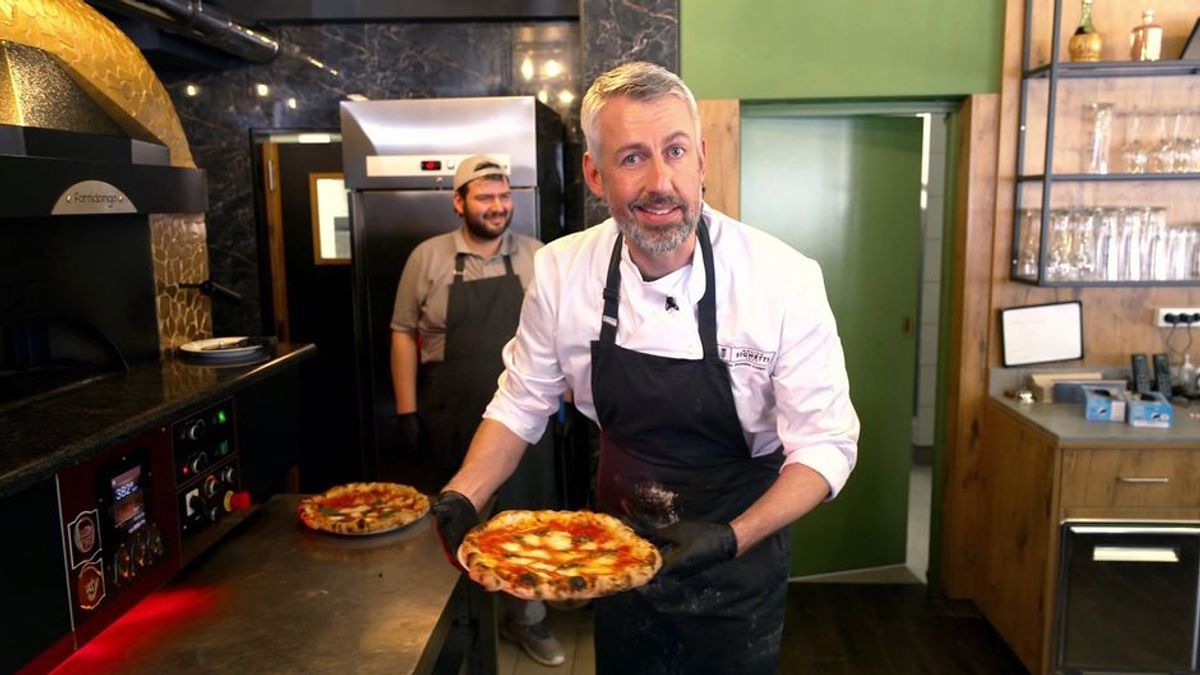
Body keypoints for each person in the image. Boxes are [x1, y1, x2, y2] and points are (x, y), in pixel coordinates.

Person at [431, 62, 860, 674]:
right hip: (612, 554)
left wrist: (731, 536)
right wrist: (464, 494)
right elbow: (521, 401)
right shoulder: (561, 272)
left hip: (737, 562)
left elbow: (826, 445)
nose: (662, 181)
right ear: (594, 175)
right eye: (632, 158)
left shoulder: (782, 279)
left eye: (676, 151)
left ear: (702, 159)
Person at [389, 155, 565, 667]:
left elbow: (562, 339)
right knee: (458, 516)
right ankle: (455, 626)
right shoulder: (428, 257)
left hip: (526, 416)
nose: (497, 207)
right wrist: (406, 410)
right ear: (459, 202)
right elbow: (403, 331)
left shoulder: (538, 257)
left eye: (504, 196)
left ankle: (527, 621)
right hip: (452, 408)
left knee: (528, 520)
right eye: (485, 197)